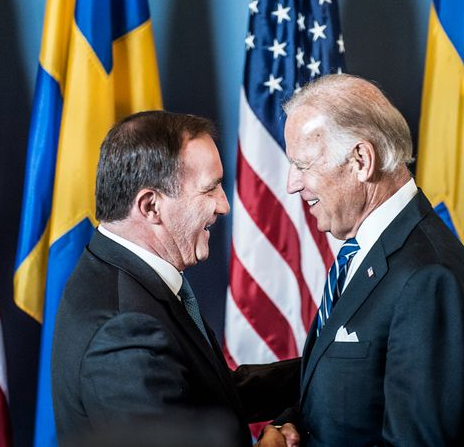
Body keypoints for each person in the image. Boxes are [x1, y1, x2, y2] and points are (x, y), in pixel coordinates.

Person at [51, 111, 300, 447]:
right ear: (151, 206)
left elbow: (208, 392)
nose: (224, 205)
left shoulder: (119, 272)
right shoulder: (123, 330)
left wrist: (324, 368)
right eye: (210, 189)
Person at [278, 74, 464, 446]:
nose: (291, 184)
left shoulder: (427, 278)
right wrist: (286, 428)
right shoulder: (366, 250)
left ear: (361, 160)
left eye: (303, 165)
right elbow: (340, 389)